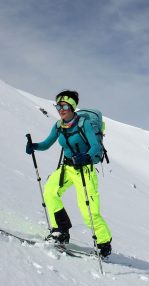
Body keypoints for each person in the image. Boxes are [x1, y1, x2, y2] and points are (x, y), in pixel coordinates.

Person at [26, 90, 112, 257]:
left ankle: (104, 243)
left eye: (64, 105)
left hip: (84, 170)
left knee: (88, 210)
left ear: (72, 107)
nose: (61, 109)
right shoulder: (59, 126)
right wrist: (35, 146)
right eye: (58, 106)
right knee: (50, 193)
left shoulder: (83, 124)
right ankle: (60, 230)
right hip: (67, 168)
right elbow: (47, 144)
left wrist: (86, 156)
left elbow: (95, 146)